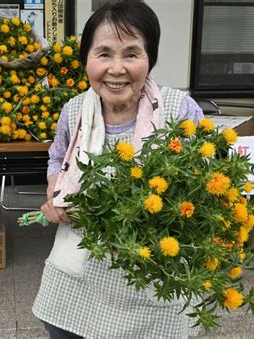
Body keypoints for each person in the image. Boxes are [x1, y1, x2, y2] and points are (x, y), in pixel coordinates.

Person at [32, 1, 204, 338]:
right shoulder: (75, 110)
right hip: (76, 278)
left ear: (150, 59)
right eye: (104, 53)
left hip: (152, 280)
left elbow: (206, 180)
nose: (116, 68)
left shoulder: (177, 110)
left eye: (131, 54)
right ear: (86, 60)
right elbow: (57, 157)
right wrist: (56, 191)